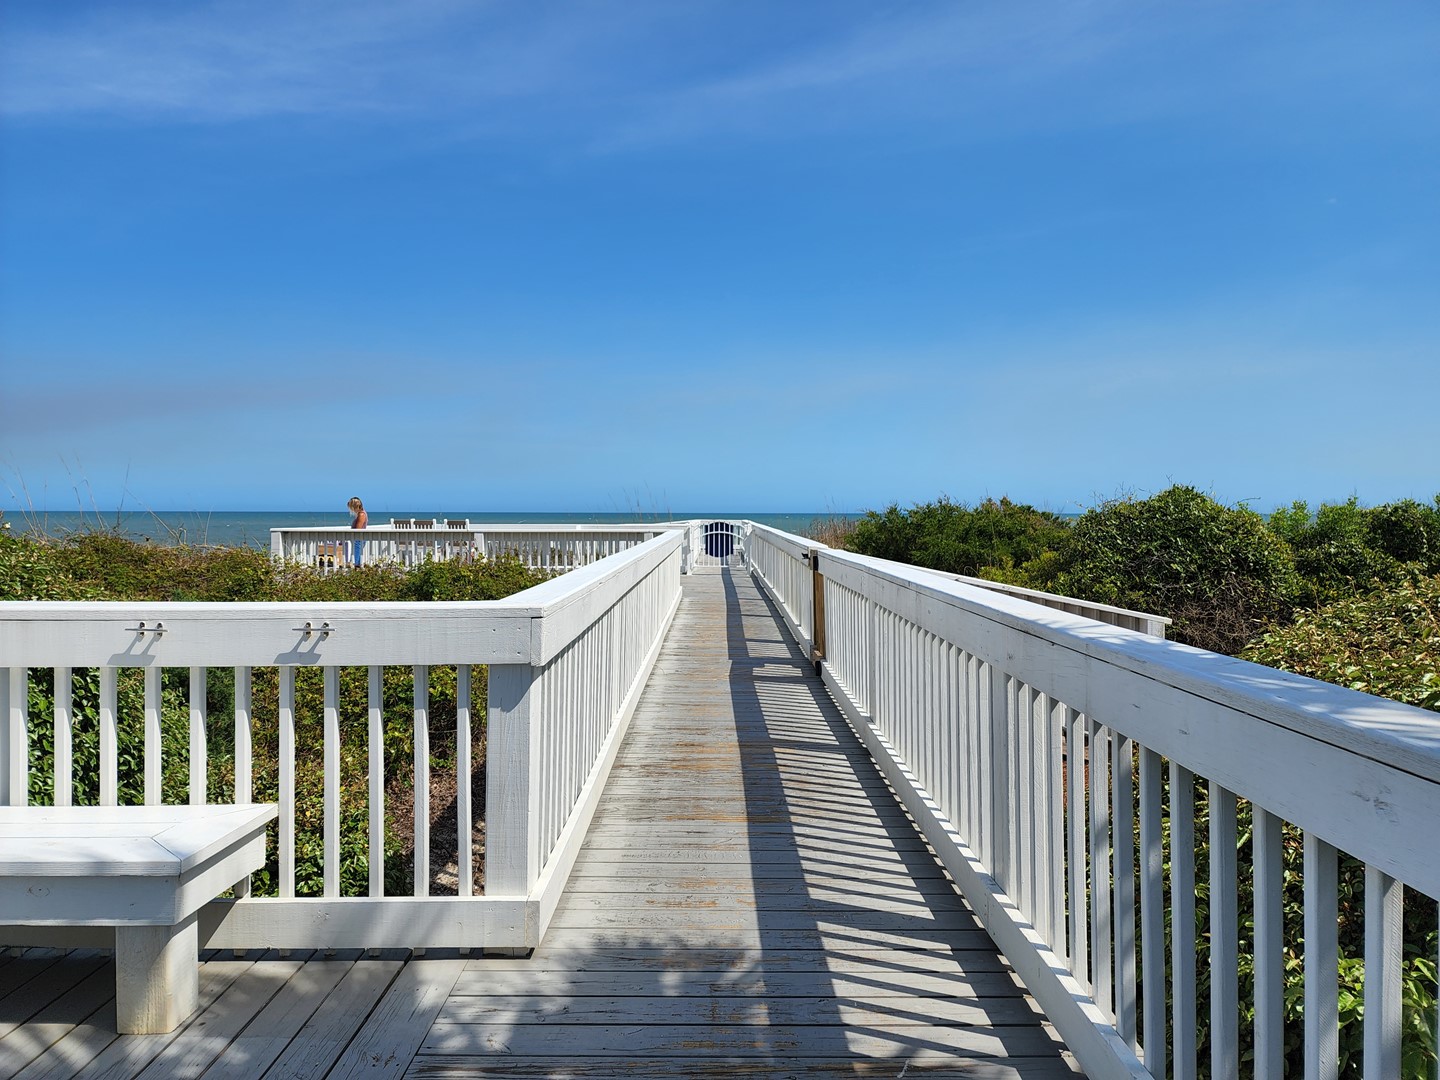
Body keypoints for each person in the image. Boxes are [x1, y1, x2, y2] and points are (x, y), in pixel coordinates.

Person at [348, 496, 368, 567]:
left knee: (357, 561)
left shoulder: (361, 514)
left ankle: (357, 570)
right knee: (357, 559)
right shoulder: (360, 514)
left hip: (359, 539)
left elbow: (358, 529)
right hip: (358, 540)